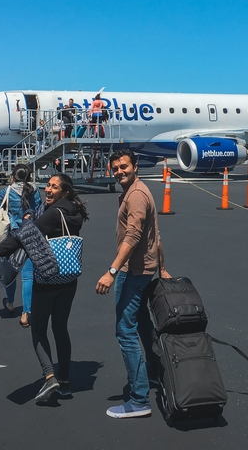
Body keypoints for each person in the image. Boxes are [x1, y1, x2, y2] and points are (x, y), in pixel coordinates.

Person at [0, 173, 89, 403]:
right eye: (48, 185)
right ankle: (64, 382)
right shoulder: (74, 212)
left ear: (64, 192)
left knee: (37, 329)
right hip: (69, 277)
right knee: (60, 328)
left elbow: (26, 235)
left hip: (47, 279)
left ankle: (49, 375)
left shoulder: (54, 213)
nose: (48, 190)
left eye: (54, 187)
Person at [96, 149, 170, 418]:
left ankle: (139, 400)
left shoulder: (136, 195)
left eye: (124, 166)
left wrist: (112, 271)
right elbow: (156, 234)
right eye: (115, 168)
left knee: (125, 331)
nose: (119, 172)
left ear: (135, 166)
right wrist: (161, 267)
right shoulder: (137, 191)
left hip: (133, 272)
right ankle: (152, 375)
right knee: (141, 323)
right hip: (144, 269)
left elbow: (135, 234)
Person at [0, 164, 42, 317]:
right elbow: (39, 211)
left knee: (10, 271)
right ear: (29, 177)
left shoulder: (7, 191)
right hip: (30, 235)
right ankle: (26, 313)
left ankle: (10, 302)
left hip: (12, 236)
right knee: (28, 276)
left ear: (13, 177)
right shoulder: (35, 191)